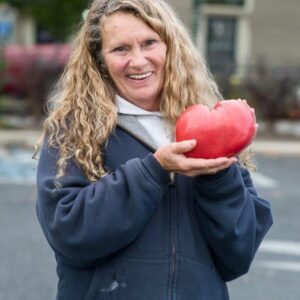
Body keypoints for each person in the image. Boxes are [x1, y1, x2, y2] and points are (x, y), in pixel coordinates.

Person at [35, 0, 273, 299]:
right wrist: (154, 170)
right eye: (121, 49)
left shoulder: (206, 127)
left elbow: (238, 255)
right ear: (100, 60)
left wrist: (218, 175)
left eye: (149, 43)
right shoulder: (73, 130)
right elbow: (68, 233)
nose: (138, 61)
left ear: (170, 47)